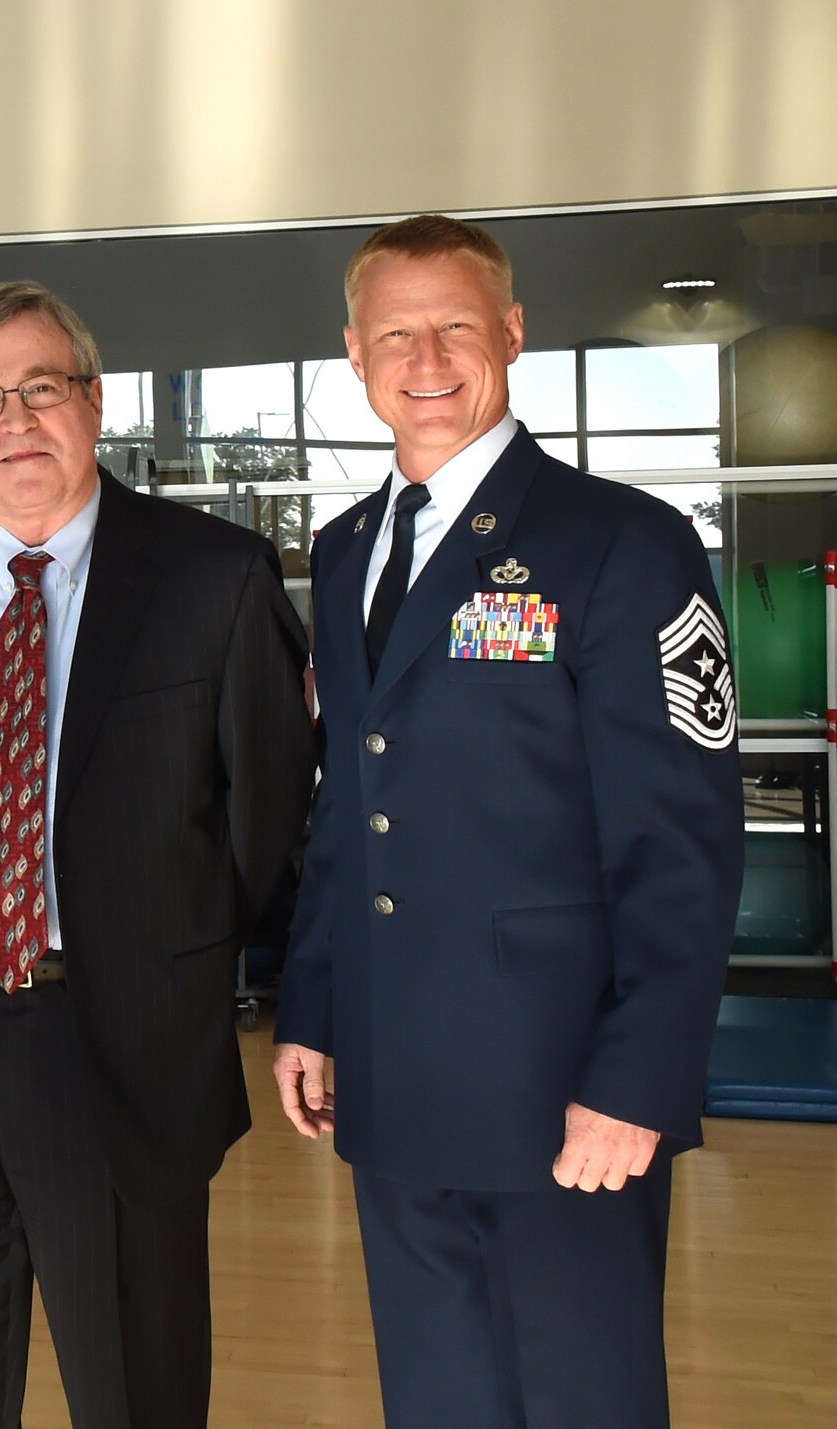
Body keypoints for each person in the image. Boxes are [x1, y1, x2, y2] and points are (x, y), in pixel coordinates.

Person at [271, 215, 744, 1429]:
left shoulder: (619, 545)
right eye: (393, 332)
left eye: (454, 327)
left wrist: (636, 1079)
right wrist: (311, 1011)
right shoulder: (341, 552)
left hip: (561, 1089)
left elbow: (679, 846)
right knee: (436, 1397)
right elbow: (347, 802)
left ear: (511, 335)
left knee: (580, 1398)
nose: (423, 357)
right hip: (388, 1072)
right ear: (353, 351)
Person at [0, 281, 316, 1428]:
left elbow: (267, 823)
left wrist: (162, 953)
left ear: (92, 404)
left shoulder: (213, 577)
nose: (15, 419)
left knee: (136, 1395)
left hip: (121, 1044)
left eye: (40, 387)